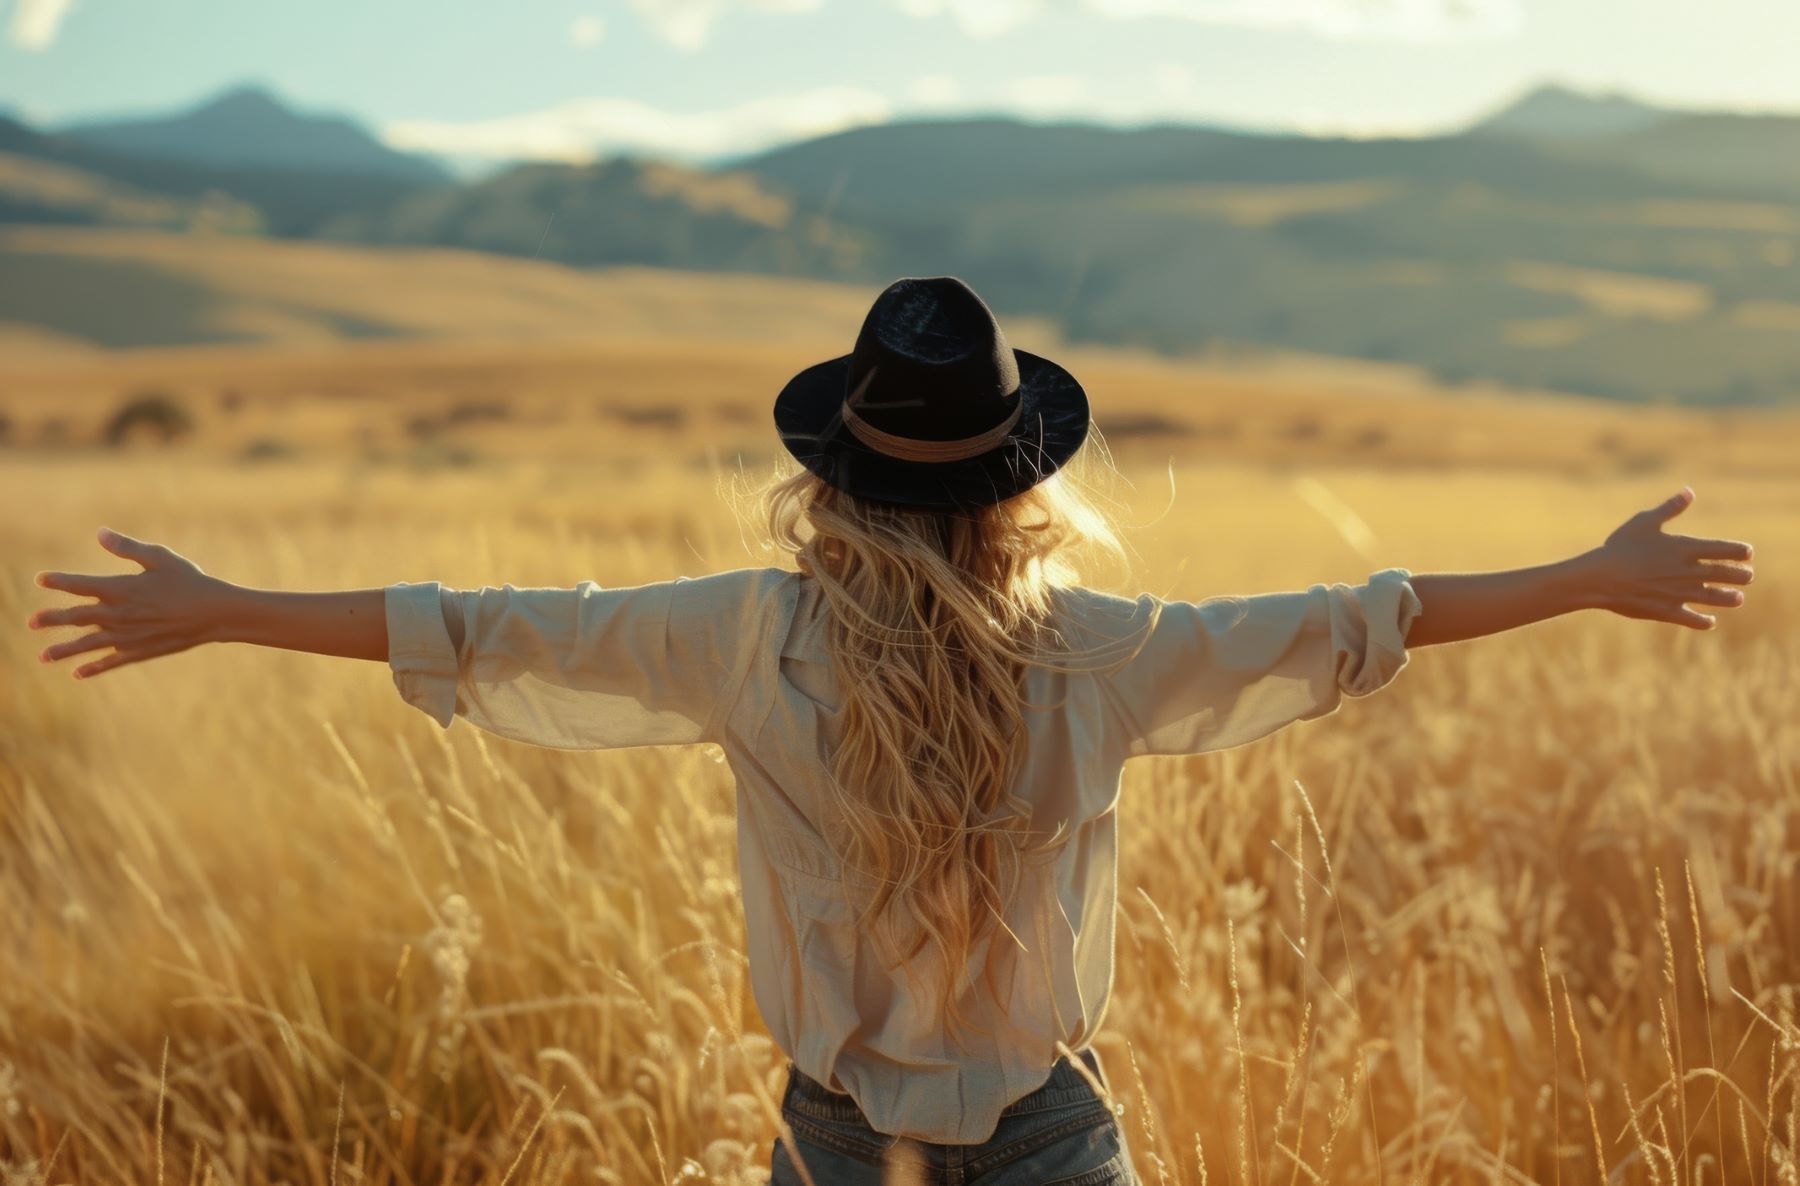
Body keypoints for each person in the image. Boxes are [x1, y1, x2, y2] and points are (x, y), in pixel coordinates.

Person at [27, 276, 1755, 1184]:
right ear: (1021, 489)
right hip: (1059, 1135)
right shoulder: (1103, 651)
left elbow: (475, 630)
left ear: (829, 475)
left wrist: (226, 603)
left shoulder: (740, 632)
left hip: (834, 1141)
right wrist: (1588, 574)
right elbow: (1361, 624)